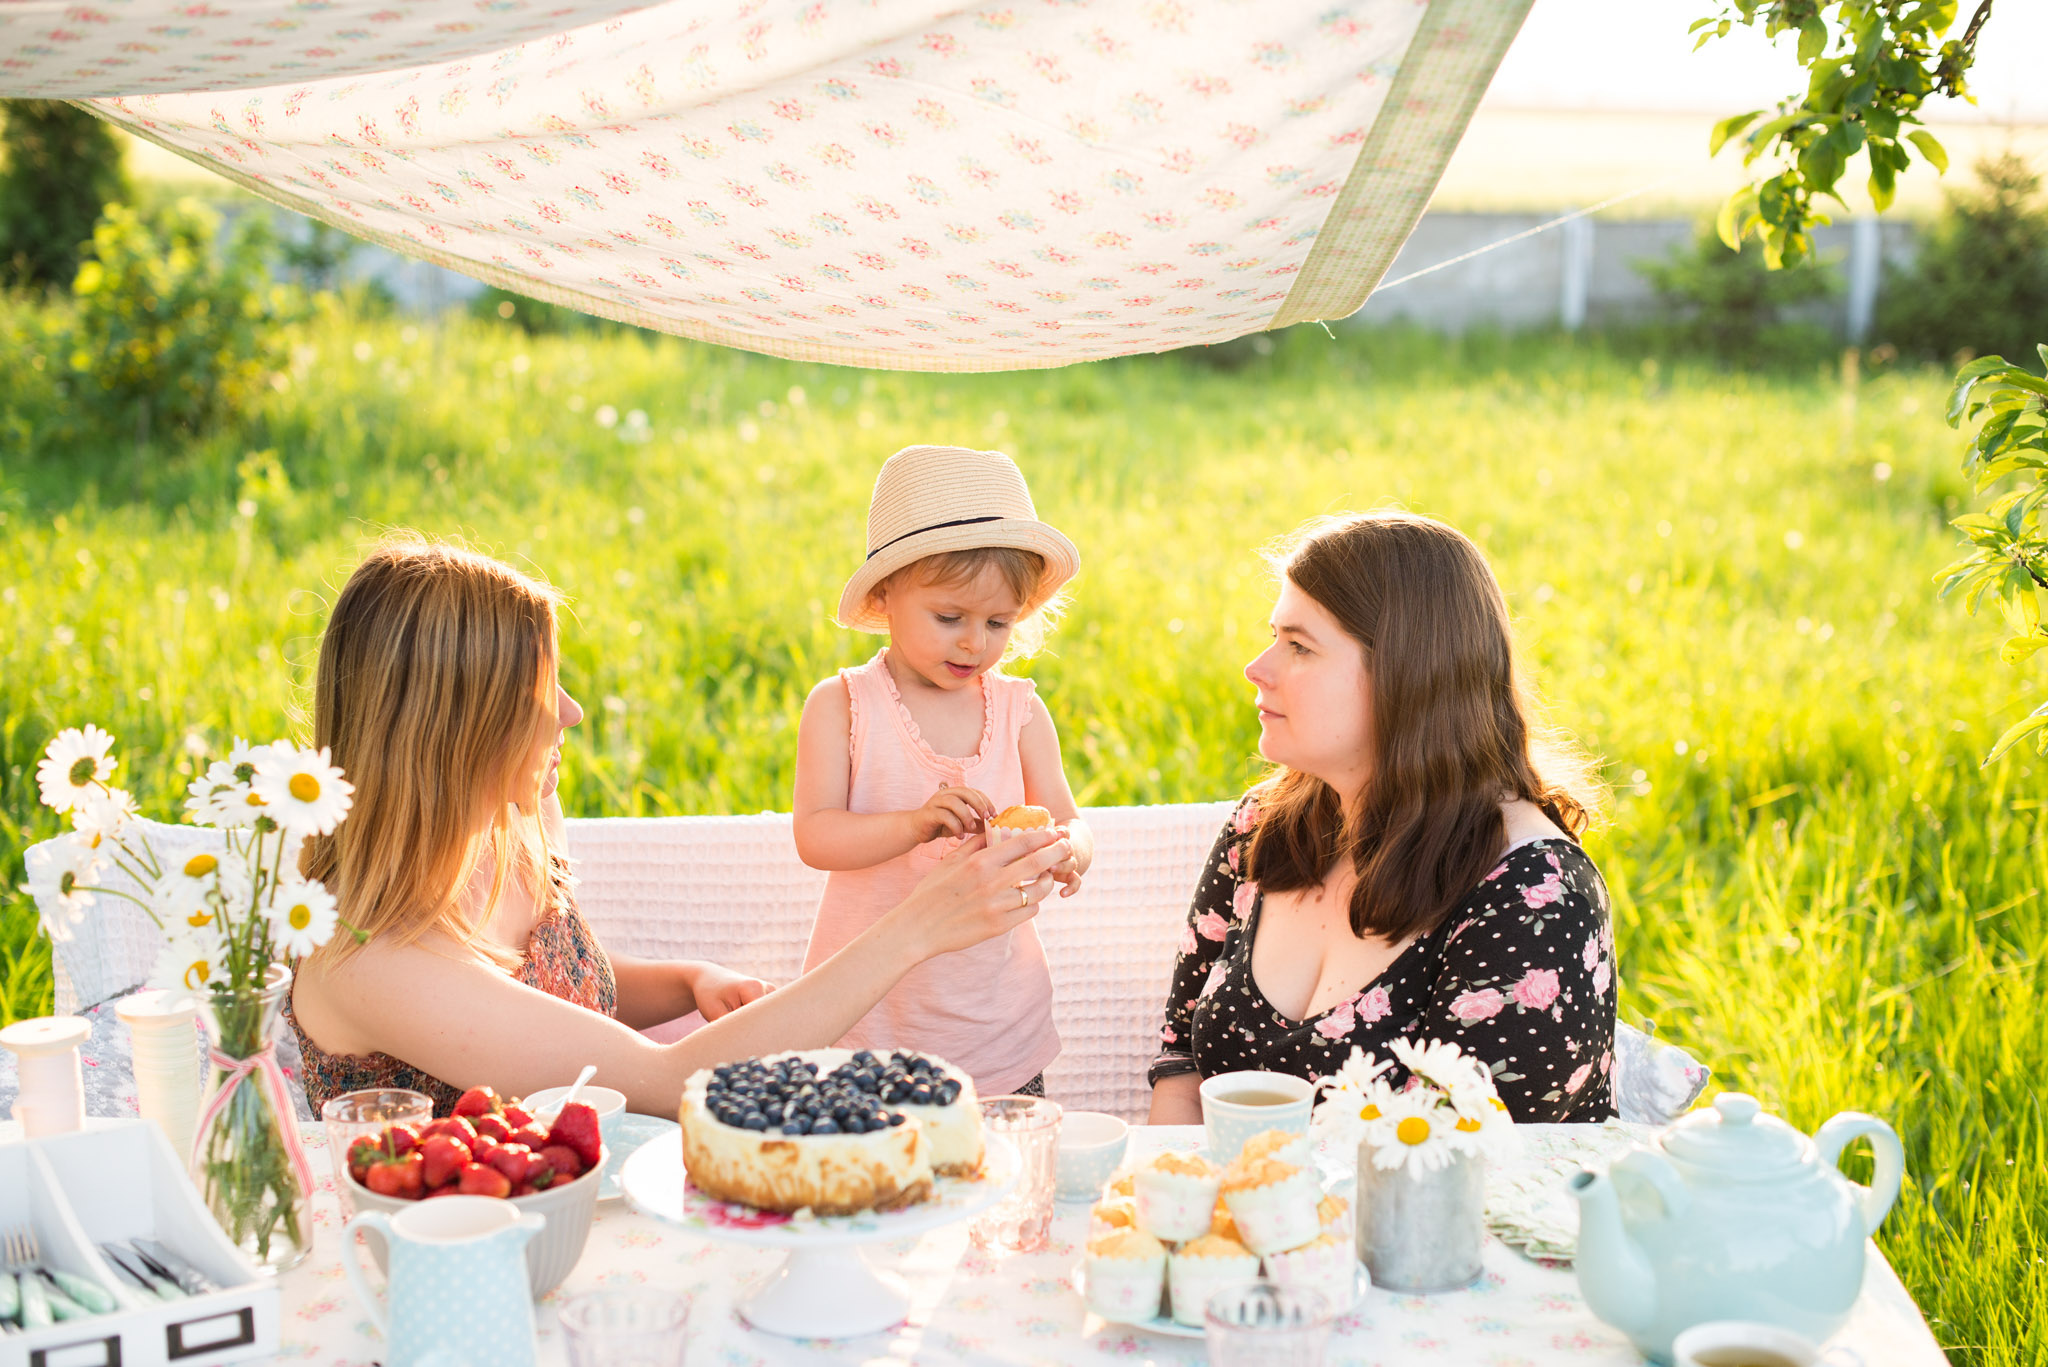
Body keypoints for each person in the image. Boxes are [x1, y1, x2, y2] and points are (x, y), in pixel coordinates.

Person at [287, 536, 1073, 1118]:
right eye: (536, 693)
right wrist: (919, 926)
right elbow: (667, 1084)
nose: (573, 712)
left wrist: (685, 980)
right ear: (448, 728)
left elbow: (547, 1002)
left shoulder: (511, 825)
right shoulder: (370, 956)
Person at [1147, 512, 1617, 1124]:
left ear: (1407, 675)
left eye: (1299, 646)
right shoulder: (1262, 826)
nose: (1256, 668)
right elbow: (1182, 1058)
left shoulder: (1531, 895)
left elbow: (1484, 1172)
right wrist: (1177, 1207)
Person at [792, 445, 1094, 1097]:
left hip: (994, 1020)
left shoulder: (1019, 711)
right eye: (949, 617)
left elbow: (1067, 815)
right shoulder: (844, 706)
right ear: (886, 593)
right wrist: (914, 824)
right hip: (872, 1021)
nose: (974, 643)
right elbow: (816, 836)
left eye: (998, 622)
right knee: (878, 1184)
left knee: (1005, 1180)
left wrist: (1070, 848)